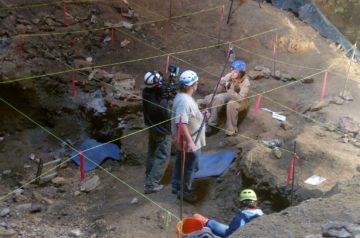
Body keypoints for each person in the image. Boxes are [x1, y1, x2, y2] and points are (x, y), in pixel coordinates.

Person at [171, 70, 206, 203]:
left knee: (181, 161)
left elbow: (188, 116)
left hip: (186, 139)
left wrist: (201, 115)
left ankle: (176, 184)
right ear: (193, 85)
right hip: (189, 140)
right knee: (191, 165)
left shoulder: (182, 97)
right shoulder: (184, 101)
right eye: (196, 83)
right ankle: (185, 191)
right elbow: (181, 123)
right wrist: (191, 142)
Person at [142, 71, 172, 194]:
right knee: (162, 157)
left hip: (152, 128)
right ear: (156, 85)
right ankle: (151, 185)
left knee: (152, 153)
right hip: (163, 132)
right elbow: (168, 116)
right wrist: (166, 99)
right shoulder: (161, 102)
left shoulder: (146, 92)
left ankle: (149, 176)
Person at [193, 189, 264, 237]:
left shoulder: (240, 219)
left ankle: (204, 227)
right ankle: (207, 222)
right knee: (228, 228)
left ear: (241, 203)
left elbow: (229, 234)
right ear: (255, 202)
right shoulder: (263, 215)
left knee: (207, 233)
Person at [207, 59, 250, 136]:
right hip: (230, 94)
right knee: (218, 98)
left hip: (241, 100)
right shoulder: (230, 75)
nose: (233, 72)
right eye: (232, 70)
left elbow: (240, 99)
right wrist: (221, 83)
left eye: (235, 71)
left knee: (231, 104)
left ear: (241, 73)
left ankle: (231, 131)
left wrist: (230, 89)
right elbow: (216, 90)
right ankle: (212, 124)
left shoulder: (246, 82)